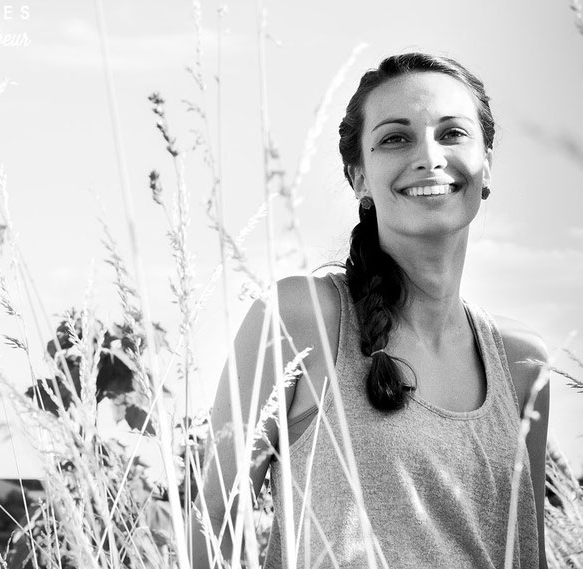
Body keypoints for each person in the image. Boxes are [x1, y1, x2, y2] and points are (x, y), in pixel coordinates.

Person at [194, 53, 550, 568]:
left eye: (452, 134)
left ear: (487, 164)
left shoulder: (522, 362)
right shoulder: (302, 317)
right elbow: (211, 532)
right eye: (395, 138)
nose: (429, 157)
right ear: (359, 177)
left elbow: (528, 558)